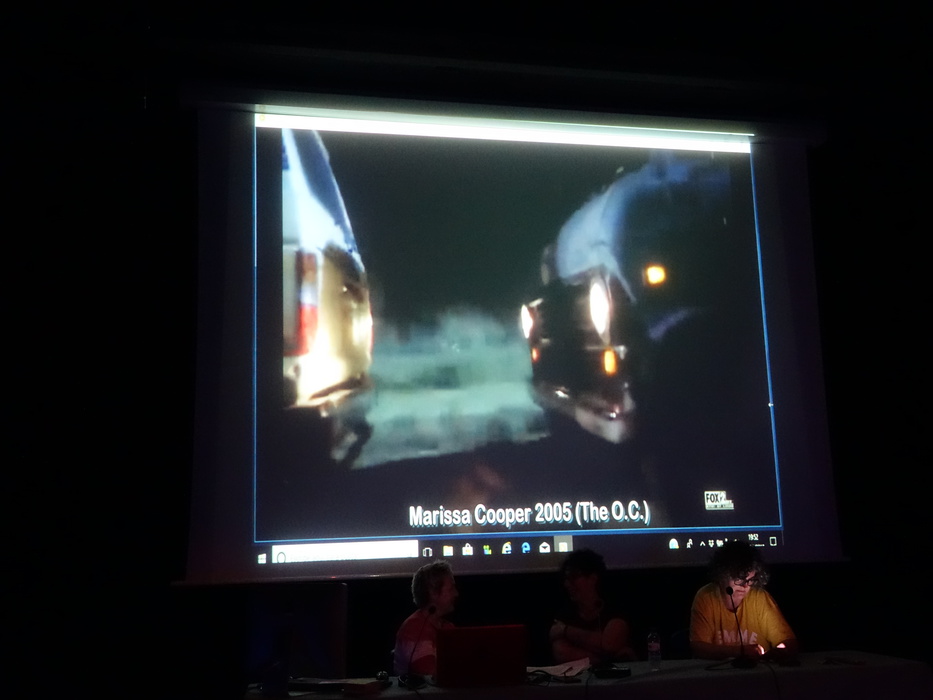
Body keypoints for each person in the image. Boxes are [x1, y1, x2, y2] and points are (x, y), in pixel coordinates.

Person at [689, 540, 798, 661]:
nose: (745, 586)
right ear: (721, 575)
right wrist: (739, 652)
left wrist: (779, 651)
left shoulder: (759, 598)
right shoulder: (706, 597)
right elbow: (698, 648)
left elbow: (789, 642)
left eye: (749, 580)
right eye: (739, 579)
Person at [549, 549, 636, 664]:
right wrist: (608, 659)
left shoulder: (614, 609)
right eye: (566, 579)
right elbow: (561, 652)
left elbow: (610, 645)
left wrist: (565, 630)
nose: (567, 584)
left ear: (593, 578)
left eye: (573, 577)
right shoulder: (565, 614)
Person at [393, 560, 458, 679]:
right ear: (433, 592)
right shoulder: (414, 629)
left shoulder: (447, 627)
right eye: (451, 589)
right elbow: (428, 672)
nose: (456, 594)